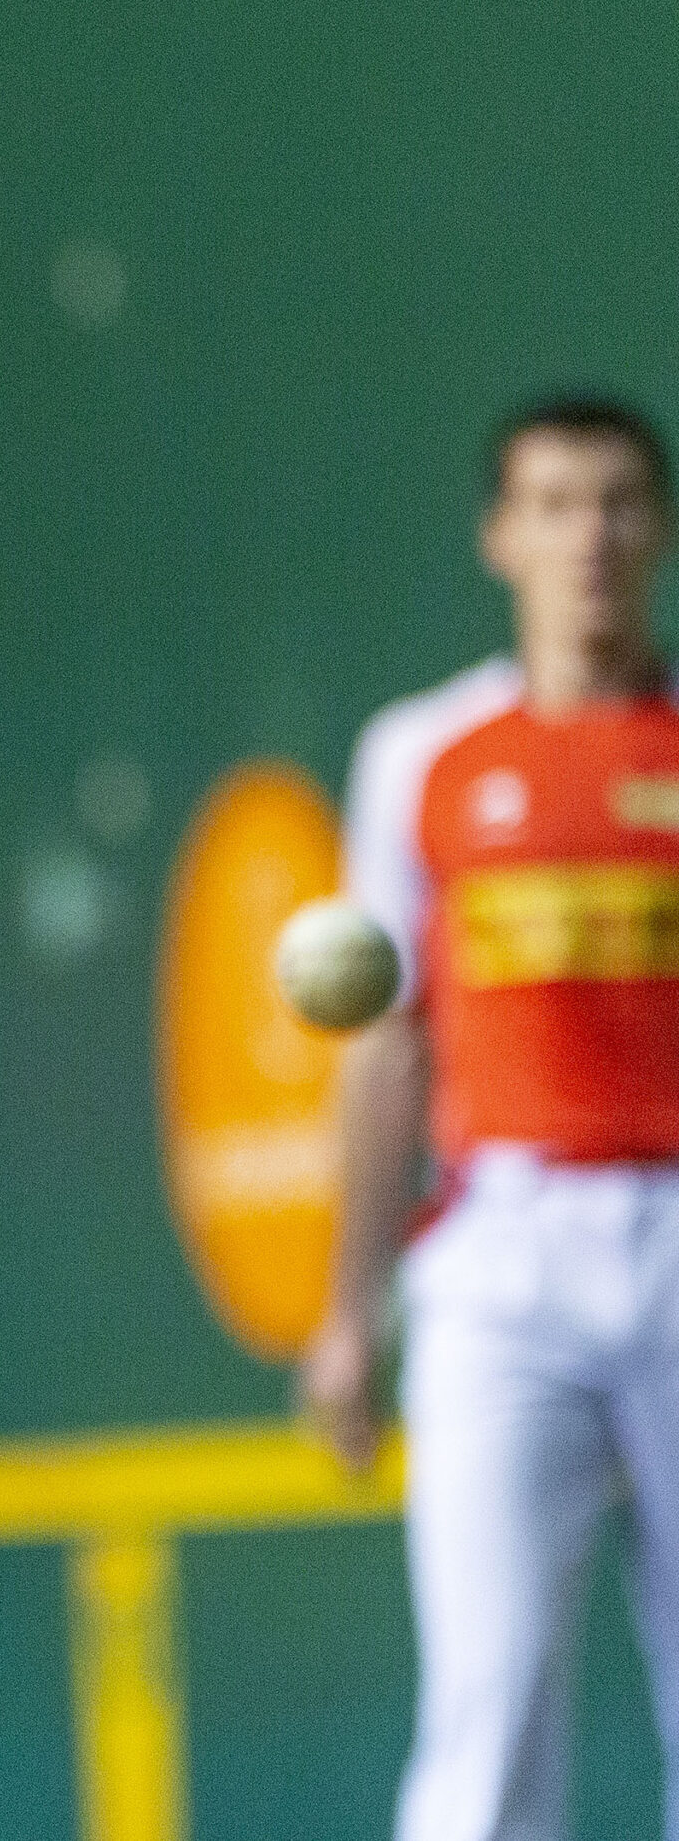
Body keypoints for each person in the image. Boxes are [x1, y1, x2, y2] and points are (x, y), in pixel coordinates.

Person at [301, 394, 679, 1841]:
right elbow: (384, 1049)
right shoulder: (424, 754)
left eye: (620, 502)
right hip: (499, 1264)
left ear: (660, 530)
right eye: (556, 504)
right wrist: (349, 1311)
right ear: (499, 537)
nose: (591, 537)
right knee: (491, 1701)